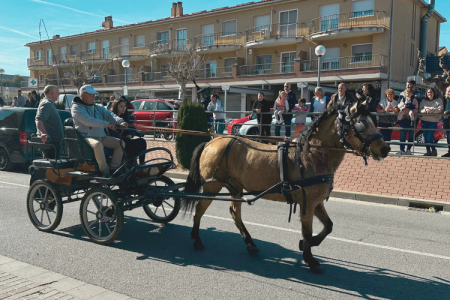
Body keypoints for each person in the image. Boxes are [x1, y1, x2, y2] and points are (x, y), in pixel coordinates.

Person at [71, 85, 128, 178]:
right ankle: (104, 171)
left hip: (101, 136)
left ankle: (114, 168)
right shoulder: (76, 108)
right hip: (86, 137)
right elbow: (88, 120)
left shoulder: (98, 107)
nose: (93, 97)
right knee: (98, 145)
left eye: (94, 95)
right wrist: (107, 124)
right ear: (82, 95)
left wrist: (120, 121)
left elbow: (110, 115)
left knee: (121, 143)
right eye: (91, 95)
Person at [109, 98, 147, 164]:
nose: (123, 108)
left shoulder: (125, 116)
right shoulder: (111, 116)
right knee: (136, 143)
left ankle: (142, 163)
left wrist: (130, 134)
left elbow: (133, 128)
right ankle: (130, 164)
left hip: (125, 137)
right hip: (116, 138)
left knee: (142, 141)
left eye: (124, 106)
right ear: (115, 106)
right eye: (121, 106)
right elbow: (112, 132)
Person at [35, 85, 64, 159]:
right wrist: (43, 133)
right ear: (51, 93)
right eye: (57, 92)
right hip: (51, 142)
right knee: (51, 167)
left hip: (53, 142)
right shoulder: (46, 104)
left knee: (52, 167)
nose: (58, 94)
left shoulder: (49, 103)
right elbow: (39, 119)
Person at [419, 87, 443, 156]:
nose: (430, 93)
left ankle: (434, 150)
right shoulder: (423, 101)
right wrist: (425, 110)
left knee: (429, 137)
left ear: (434, 93)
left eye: (431, 92)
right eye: (428, 92)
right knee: (425, 138)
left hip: (433, 121)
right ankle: (428, 151)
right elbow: (420, 110)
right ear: (426, 93)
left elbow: (440, 109)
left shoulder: (438, 100)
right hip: (424, 121)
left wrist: (432, 109)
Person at [396, 87, 419, 155]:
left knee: (411, 135)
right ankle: (402, 149)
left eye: (409, 93)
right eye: (407, 93)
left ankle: (409, 149)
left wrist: (416, 109)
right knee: (402, 134)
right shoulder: (403, 98)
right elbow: (399, 105)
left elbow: (416, 105)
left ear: (412, 93)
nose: (408, 94)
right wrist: (403, 107)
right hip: (404, 117)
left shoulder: (414, 99)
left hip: (411, 112)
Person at [442, 86, 450, 157]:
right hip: (446, 120)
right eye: (448, 91)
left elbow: (446, 111)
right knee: (448, 136)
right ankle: (449, 151)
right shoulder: (445, 99)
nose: (449, 93)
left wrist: (447, 112)